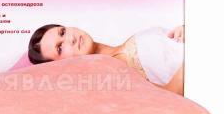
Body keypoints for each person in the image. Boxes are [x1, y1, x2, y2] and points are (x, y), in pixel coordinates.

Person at [28, 24, 185, 95]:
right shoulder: (115, 84)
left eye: (62, 32)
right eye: (60, 48)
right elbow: (173, 97)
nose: (71, 39)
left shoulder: (137, 36)